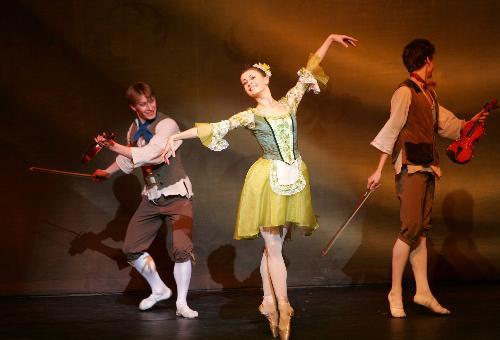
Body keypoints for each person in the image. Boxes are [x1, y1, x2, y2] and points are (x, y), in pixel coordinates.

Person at [163, 34, 357, 339]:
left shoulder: (289, 102)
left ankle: (267, 301)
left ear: (267, 78)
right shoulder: (250, 115)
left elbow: (311, 68)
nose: (248, 83)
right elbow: (217, 127)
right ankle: (284, 305)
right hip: (266, 180)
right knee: (273, 247)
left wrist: (330, 39)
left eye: (252, 77)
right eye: (243, 82)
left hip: (293, 177)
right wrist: (175, 137)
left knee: (274, 246)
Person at [367, 39, 488, 318]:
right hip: (410, 167)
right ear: (429, 60)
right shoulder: (404, 92)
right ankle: (395, 291)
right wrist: (378, 169)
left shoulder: (429, 95)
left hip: (428, 166)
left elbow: (448, 125)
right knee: (410, 228)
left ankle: (422, 291)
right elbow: (392, 128)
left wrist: (473, 122)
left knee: (420, 230)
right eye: (434, 60)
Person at [91, 82, 198, 318]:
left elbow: (153, 152)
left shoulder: (168, 124)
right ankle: (159, 289)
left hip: (178, 195)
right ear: (133, 107)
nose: (149, 106)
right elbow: (130, 159)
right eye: (142, 103)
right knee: (131, 248)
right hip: (152, 198)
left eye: (151, 100)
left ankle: (181, 303)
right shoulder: (133, 130)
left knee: (181, 248)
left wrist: (113, 145)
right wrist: (107, 172)